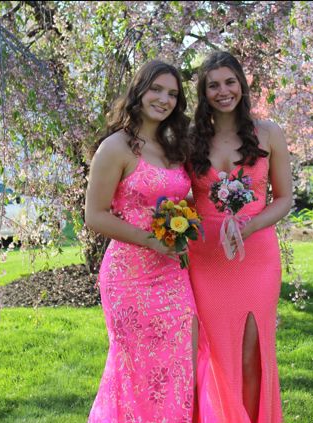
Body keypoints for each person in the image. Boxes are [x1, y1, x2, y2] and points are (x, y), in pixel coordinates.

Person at [85, 60, 209, 422]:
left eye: (172, 93)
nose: (164, 99)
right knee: (137, 372)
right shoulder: (115, 147)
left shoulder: (172, 146)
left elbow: (181, 196)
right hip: (129, 277)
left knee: (181, 365)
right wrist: (149, 240)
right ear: (138, 91)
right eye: (156, 89)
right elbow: (95, 215)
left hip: (172, 274)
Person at [188, 51, 293, 423]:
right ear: (203, 93)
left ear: (242, 85)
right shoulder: (190, 139)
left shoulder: (268, 133)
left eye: (230, 82)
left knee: (251, 353)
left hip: (256, 257)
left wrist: (250, 225)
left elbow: (285, 198)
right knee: (212, 351)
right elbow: (177, 191)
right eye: (213, 85)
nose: (223, 91)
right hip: (205, 260)